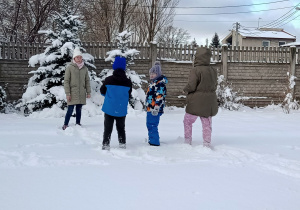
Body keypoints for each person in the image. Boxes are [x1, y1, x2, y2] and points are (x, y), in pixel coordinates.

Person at [183, 47, 218, 148]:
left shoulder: (196, 70)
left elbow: (192, 85)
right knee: (207, 123)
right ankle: (207, 143)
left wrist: (185, 89)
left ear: (197, 57)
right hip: (209, 101)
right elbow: (214, 85)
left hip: (196, 101)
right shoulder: (213, 70)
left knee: (187, 121)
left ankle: (187, 141)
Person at [100, 56, 132, 150]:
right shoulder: (128, 82)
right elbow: (129, 95)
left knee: (108, 128)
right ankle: (122, 143)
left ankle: (106, 144)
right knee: (121, 127)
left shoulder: (108, 80)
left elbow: (102, 91)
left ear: (114, 67)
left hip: (109, 108)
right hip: (121, 109)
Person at [62, 47, 91, 130]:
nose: (79, 59)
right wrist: (68, 93)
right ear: (74, 58)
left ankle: (78, 123)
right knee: (70, 109)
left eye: (80, 57)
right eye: (77, 57)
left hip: (81, 92)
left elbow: (87, 81)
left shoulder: (84, 68)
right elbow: (66, 81)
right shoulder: (70, 67)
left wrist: (88, 92)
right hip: (72, 92)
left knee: (79, 109)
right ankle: (65, 124)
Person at [145, 61, 168, 146]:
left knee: (152, 124)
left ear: (158, 74)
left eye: (154, 73)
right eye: (150, 73)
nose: (151, 75)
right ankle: (152, 139)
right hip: (150, 108)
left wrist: (157, 107)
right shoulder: (153, 83)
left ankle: (154, 142)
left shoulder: (160, 84)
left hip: (154, 109)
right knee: (150, 124)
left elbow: (160, 97)